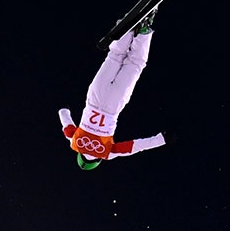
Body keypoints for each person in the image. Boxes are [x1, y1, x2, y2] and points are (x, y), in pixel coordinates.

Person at [59, 11, 167, 170]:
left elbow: (133, 147)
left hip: (113, 106)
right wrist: (64, 110)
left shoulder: (106, 153)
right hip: (94, 98)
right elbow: (66, 125)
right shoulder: (74, 142)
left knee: (135, 64)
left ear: (97, 161)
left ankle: (144, 32)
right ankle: (126, 30)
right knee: (114, 57)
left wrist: (161, 140)